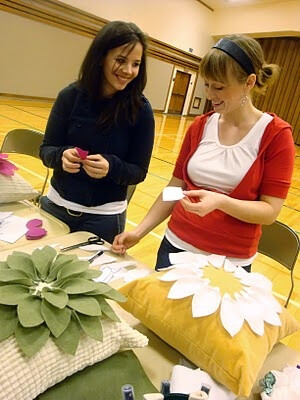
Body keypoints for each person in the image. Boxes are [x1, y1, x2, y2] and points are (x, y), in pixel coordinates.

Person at [112, 34, 295, 272]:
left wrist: (221, 202)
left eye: (219, 87)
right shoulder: (200, 126)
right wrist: (139, 231)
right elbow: (174, 189)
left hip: (229, 263)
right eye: (206, 84)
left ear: (249, 82)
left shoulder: (275, 135)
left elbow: (269, 212)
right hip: (175, 247)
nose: (209, 95)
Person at [39, 21, 155, 243]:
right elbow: (46, 149)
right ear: (101, 57)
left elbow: (138, 171)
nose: (128, 71)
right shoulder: (69, 96)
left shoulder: (141, 110)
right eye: (121, 60)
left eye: (136, 64)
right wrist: (61, 156)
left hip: (105, 219)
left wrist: (111, 167)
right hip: (56, 208)